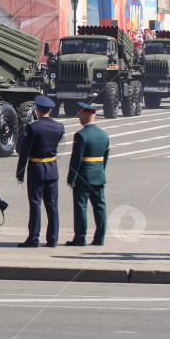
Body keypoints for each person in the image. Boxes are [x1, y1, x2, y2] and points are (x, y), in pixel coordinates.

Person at [16, 95, 65, 247]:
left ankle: (34, 238)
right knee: (52, 205)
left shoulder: (33, 127)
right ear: (50, 110)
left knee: (35, 204)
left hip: (36, 169)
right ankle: (53, 239)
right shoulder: (59, 127)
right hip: (52, 169)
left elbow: (24, 152)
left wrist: (20, 173)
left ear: (37, 110)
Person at [66, 102, 110, 246]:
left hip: (83, 177)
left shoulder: (81, 135)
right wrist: (100, 171)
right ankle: (100, 238)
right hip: (98, 176)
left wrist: (71, 178)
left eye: (80, 115)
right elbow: (105, 158)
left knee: (81, 207)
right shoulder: (104, 135)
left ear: (84, 116)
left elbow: (76, 160)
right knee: (100, 208)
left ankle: (80, 237)